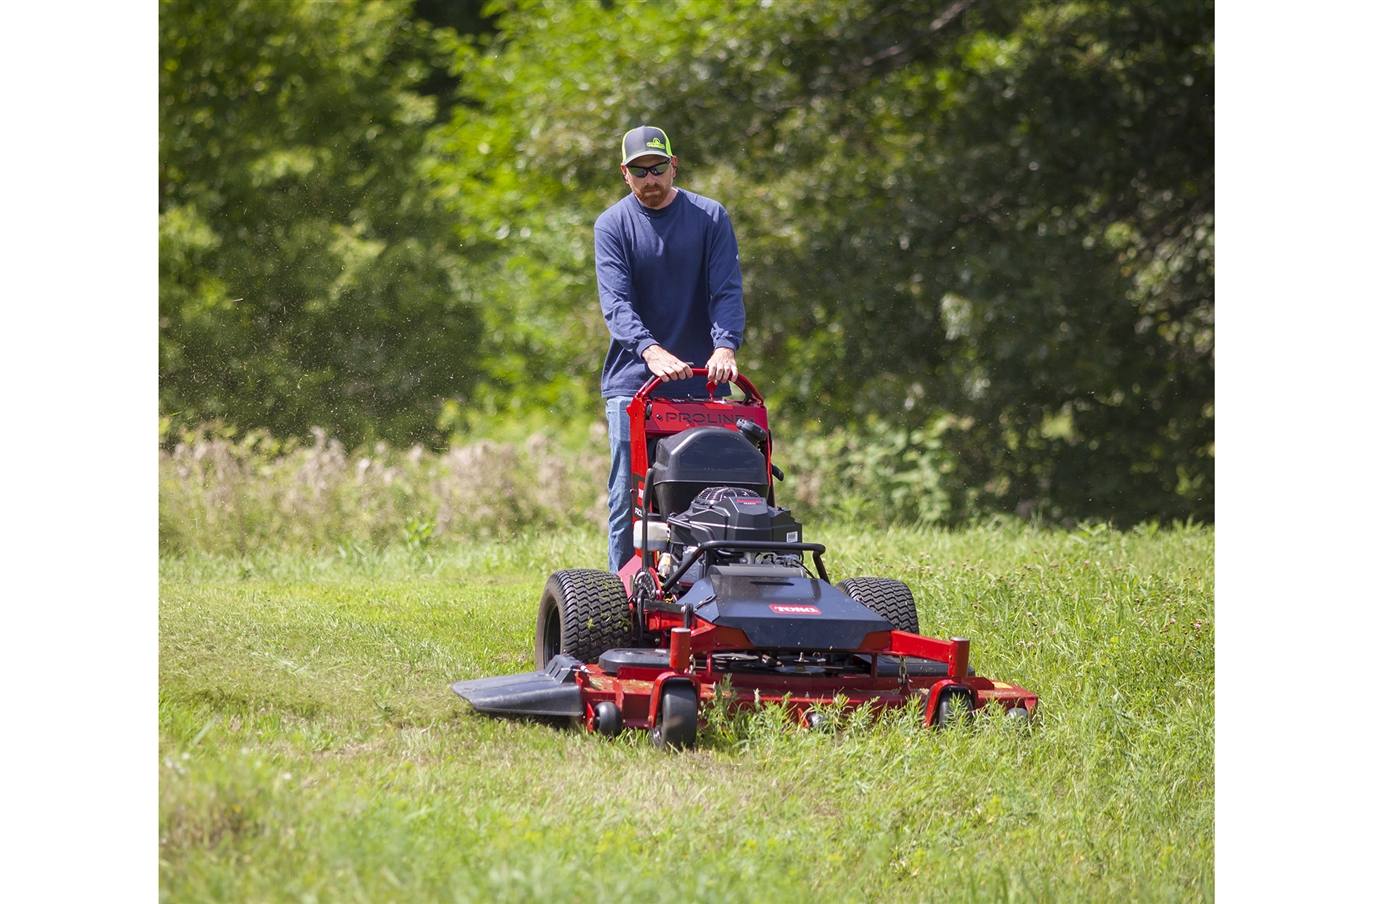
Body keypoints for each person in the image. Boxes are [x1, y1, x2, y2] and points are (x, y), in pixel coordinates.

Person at [594, 125, 746, 573]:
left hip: (701, 380)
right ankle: (622, 598)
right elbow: (616, 303)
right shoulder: (613, 225)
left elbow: (726, 291)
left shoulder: (709, 217)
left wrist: (725, 347)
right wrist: (649, 350)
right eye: (639, 172)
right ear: (625, 174)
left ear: (673, 165)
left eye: (658, 169)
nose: (650, 180)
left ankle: (707, 585)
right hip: (634, 381)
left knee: (709, 489)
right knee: (630, 493)